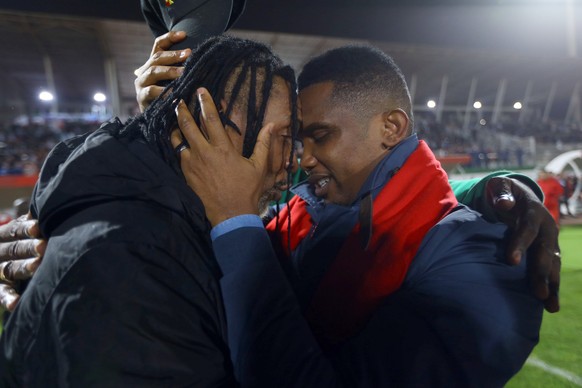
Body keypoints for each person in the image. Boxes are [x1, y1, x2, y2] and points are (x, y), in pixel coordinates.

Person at [173, 45, 553, 386]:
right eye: (301, 141)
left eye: (320, 136)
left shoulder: (489, 263)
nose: (303, 159)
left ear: (391, 127)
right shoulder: (324, 207)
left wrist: (235, 221)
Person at [0, 35, 298, 386]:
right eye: (283, 137)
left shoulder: (168, 223)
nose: (293, 161)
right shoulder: (133, 259)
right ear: (207, 124)